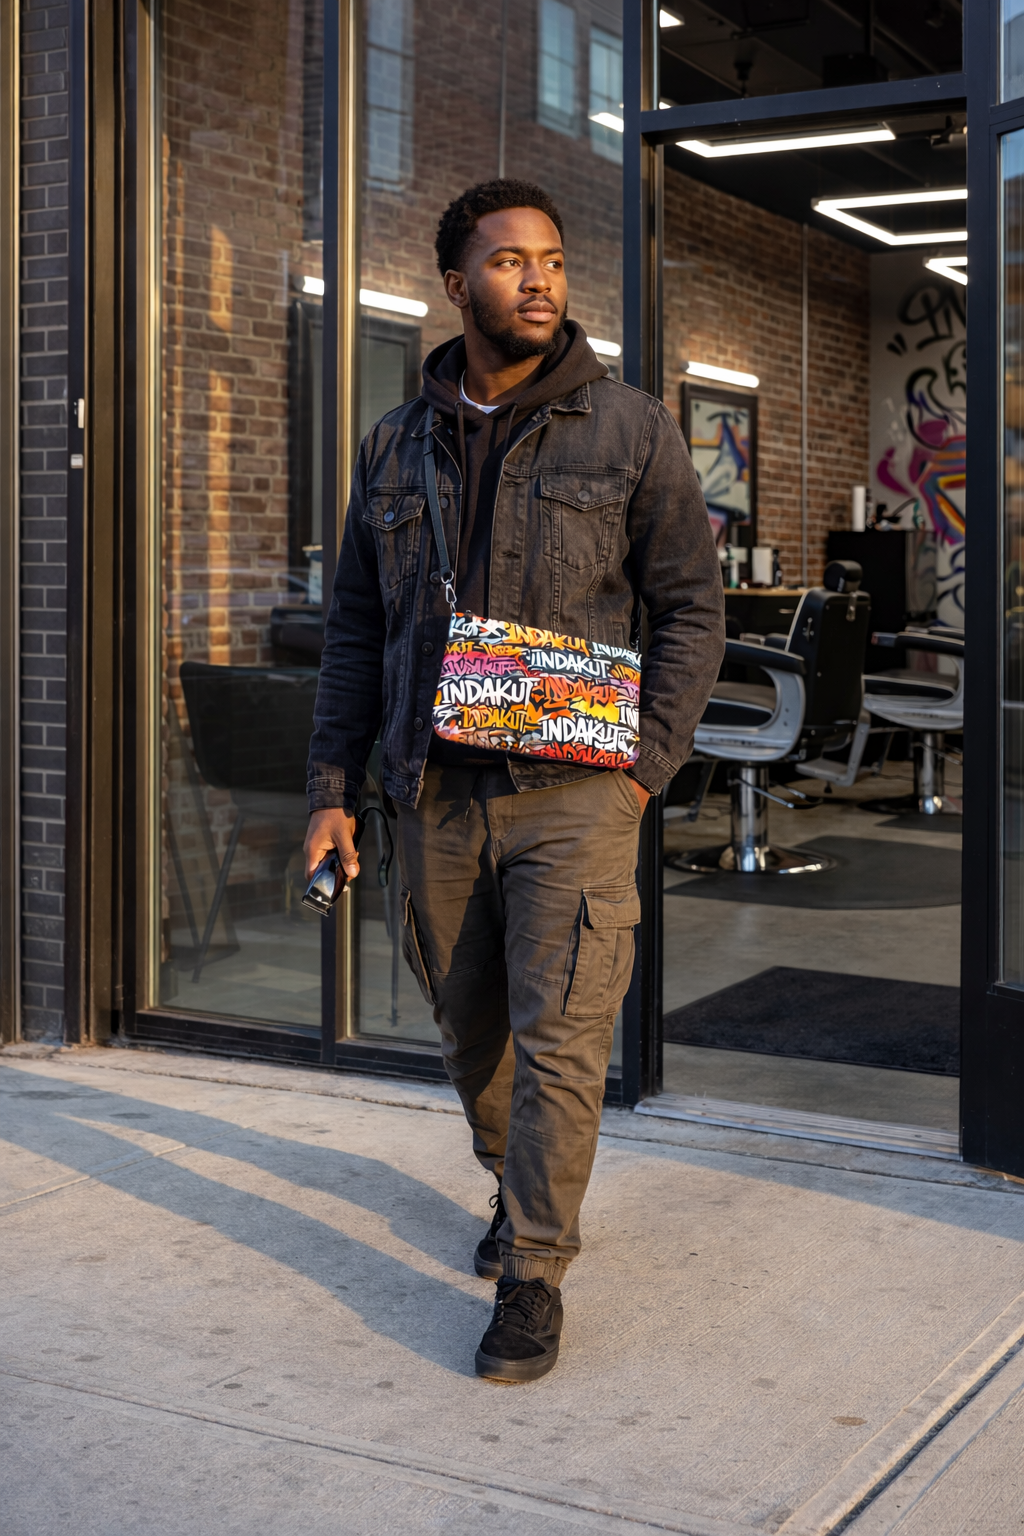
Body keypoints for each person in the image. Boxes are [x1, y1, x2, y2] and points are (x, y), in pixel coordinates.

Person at [305, 179, 725, 1382]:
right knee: (468, 1023)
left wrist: (643, 772)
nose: (538, 279)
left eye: (550, 259)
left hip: (577, 791)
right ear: (456, 285)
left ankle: (535, 1270)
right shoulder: (394, 444)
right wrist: (334, 789)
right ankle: (510, 1180)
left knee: (561, 1037)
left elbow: (692, 612)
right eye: (508, 262)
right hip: (432, 790)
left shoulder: (630, 429)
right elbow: (354, 632)